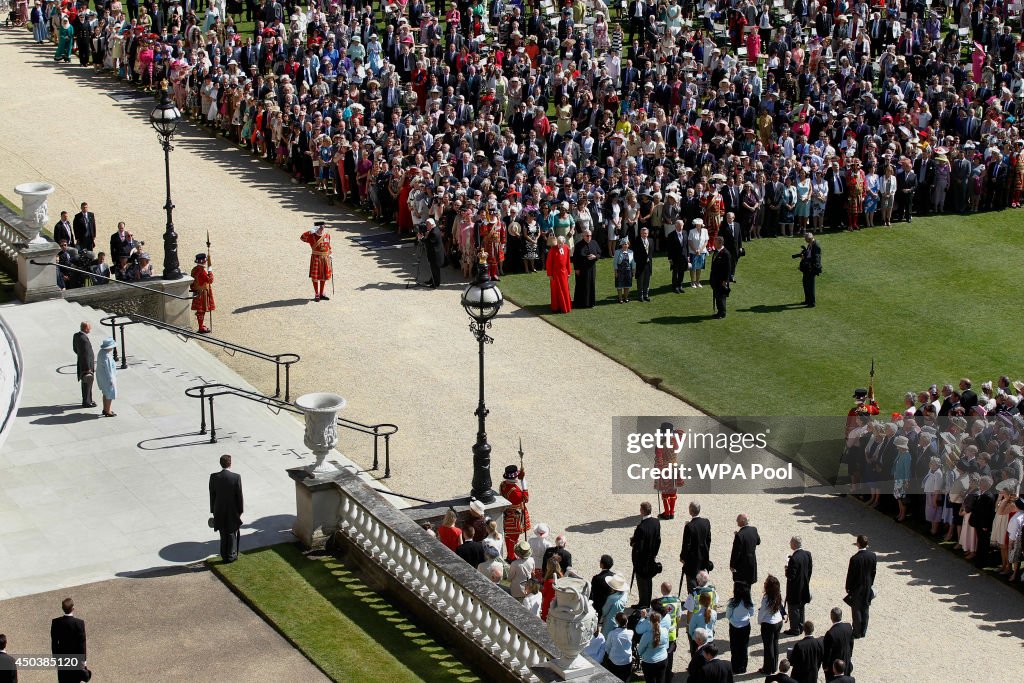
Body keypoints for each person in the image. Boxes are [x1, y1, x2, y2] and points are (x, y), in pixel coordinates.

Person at [209, 453, 244, 563]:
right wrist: (240, 510)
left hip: (219, 510)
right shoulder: (236, 477)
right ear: (230, 464)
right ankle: (231, 555)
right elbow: (239, 496)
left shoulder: (214, 477)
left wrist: (213, 510)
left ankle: (224, 555)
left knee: (223, 534)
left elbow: (212, 495)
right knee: (231, 533)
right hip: (232, 511)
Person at [630, 501, 662, 609]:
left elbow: (639, 546)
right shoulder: (656, 522)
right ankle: (646, 602)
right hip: (651, 557)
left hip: (642, 560)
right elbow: (658, 540)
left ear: (642, 511)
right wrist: (654, 554)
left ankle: (643, 603)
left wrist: (633, 542)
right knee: (648, 581)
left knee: (642, 582)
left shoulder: (641, 527)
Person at [844, 535, 876, 639]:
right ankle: (863, 630)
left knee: (856, 609)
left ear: (858, 544)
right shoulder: (872, 556)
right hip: (867, 585)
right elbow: (873, 572)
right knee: (865, 607)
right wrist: (870, 583)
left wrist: (848, 587)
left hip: (857, 587)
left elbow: (851, 575)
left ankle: (857, 632)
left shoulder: (854, 559)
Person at [51, 597, 87, 683]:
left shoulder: (56, 622)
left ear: (62, 609)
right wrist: (84, 661)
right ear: (73, 608)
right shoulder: (79, 623)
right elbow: (82, 644)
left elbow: (54, 643)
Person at [498, 465, 530, 560]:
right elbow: (526, 498)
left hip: (508, 514)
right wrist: (523, 481)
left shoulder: (503, 484)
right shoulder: (515, 491)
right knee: (512, 539)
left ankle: (511, 555)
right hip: (515, 518)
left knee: (510, 539)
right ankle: (511, 557)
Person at [679, 500, 712, 594]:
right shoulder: (706, 522)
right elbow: (708, 539)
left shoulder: (689, 526)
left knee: (692, 582)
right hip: (703, 556)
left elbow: (686, 544)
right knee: (702, 580)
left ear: (690, 511)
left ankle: (693, 602)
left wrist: (682, 557)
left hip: (692, 560)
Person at [783, 536, 812, 636]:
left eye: (791, 543)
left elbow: (791, 576)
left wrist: (786, 569)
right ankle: (800, 626)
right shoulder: (807, 554)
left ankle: (795, 629)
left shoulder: (794, 558)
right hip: (804, 586)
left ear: (794, 544)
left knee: (793, 608)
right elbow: (809, 570)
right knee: (801, 608)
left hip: (795, 588)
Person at [725, 581, 755, 674]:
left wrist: (734, 620)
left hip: (734, 626)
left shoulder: (732, 603)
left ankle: (735, 667)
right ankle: (743, 667)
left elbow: (728, 615)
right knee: (744, 647)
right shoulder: (749, 602)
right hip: (745, 626)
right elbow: (752, 613)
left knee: (734, 647)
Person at [758, 575, 784, 675]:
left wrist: (760, 621)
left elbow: (762, 613)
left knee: (768, 647)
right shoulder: (778, 595)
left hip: (769, 624)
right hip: (778, 621)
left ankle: (767, 668)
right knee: (775, 644)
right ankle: (774, 667)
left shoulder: (766, 599)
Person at [299, 222, 332, 301]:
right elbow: (302, 238)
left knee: (323, 276)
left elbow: (328, 245)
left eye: (323, 226)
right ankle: (316, 294)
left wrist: (330, 253)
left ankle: (321, 293)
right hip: (316, 257)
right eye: (320, 226)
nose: (322, 228)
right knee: (315, 276)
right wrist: (310, 231)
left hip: (325, 258)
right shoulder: (312, 236)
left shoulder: (327, 235)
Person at [970, 475, 997, 569]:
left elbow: (986, 513)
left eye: (981, 483)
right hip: (980, 523)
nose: (979, 484)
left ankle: (982, 561)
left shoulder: (987, 496)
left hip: (983, 525)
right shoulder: (984, 494)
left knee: (983, 543)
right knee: (981, 542)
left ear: (984, 485)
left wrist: (985, 525)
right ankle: (980, 559)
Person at [636, 610, 669, 683]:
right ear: (660, 620)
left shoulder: (646, 635)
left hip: (649, 662)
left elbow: (640, 650)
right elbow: (666, 645)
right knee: (661, 680)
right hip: (663, 659)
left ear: (650, 622)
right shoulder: (665, 631)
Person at [822, 607, 854, 681]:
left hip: (835, 665)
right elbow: (851, 643)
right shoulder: (848, 627)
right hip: (846, 660)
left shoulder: (830, 633)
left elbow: (827, 652)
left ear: (831, 617)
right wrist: (849, 656)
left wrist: (825, 666)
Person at [572, 228, 601, 308]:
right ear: (583, 236)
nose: (589, 237)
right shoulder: (578, 245)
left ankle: (590, 302)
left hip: (591, 268)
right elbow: (575, 258)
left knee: (591, 284)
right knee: (581, 285)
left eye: (590, 236)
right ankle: (580, 303)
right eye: (587, 236)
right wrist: (576, 268)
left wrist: (595, 257)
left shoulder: (594, 243)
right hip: (582, 269)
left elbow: (599, 253)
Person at [601, 612, 633, 681]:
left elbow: (607, 648)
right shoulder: (631, 633)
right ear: (627, 621)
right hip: (627, 661)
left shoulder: (612, 634)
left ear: (616, 622)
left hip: (615, 661)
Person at [730, 513, 760, 585]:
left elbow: (736, 552)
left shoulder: (740, 535)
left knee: (741, 587)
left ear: (742, 521)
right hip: (751, 563)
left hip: (742, 567)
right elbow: (758, 541)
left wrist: (732, 565)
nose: (737, 522)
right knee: (749, 586)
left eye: (738, 521)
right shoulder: (754, 530)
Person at [545, 236, 572, 313]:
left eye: (561, 243)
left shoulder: (566, 248)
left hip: (564, 273)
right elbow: (549, 263)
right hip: (555, 274)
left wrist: (569, 272)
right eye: (558, 242)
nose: (559, 244)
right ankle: (556, 307)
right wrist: (550, 274)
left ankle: (565, 306)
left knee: (565, 289)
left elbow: (568, 261)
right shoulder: (552, 250)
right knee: (556, 290)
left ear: (564, 242)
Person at [189, 253, 215, 333]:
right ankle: (201, 327)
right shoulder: (202, 271)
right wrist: (210, 271)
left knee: (200, 310)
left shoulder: (194, 269)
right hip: (202, 293)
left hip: (197, 291)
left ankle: (201, 325)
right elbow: (210, 280)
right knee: (201, 310)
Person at [72, 322, 96, 409]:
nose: (90, 329)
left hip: (81, 364)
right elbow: (86, 354)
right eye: (89, 328)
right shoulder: (84, 340)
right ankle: (87, 402)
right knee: (87, 383)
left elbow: (75, 349)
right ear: (86, 329)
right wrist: (88, 368)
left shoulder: (76, 336)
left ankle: (89, 399)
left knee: (86, 383)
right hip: (86, 366)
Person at [794, 232, 821, 307]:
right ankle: (807, 300)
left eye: (806, 239)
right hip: (807, 268)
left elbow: (816, 259)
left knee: (810, 285)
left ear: (809, 239)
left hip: (811, 268)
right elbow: (809, 254)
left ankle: (812, 302)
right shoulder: (810, 244)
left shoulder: (816, 245)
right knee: (805, 283)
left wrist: (805, 258)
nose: (805, 240)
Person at [709, 236, 732, 319]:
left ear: (720, 243)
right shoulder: (716, 251)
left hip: (721, 280)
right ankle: (720, 311)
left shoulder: (725, 253)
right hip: (715, 279)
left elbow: (728, 269)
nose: (714, 243)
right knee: (717, 296)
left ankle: (722, 313)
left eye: (715, 242)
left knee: (721, 297)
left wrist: (725, 280)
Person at [94, 337, 117, 417]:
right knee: (109, 394)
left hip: (102, 377)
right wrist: (111, 380)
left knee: (105, 393)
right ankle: (108, 410)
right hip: (107, 378)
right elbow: (109, 369)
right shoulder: (106, 356)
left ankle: (106, 409)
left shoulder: (101, 352)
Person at [666, 220, 689, 293]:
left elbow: (686, 245)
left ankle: (680, 285)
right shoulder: (671, 235)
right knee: (675, 272)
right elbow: (669, 248)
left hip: (683, 256)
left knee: (682, 272)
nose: (680, 227)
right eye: (678, 225)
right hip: (675, 257)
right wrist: (670, 258)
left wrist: (688, 256)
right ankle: (675, 286)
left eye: (681, 225)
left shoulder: (685, 233)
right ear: (675, 226)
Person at [423, 218, 445, 288]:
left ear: (431, 224)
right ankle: (432, 279)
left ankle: (436, 283)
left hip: (435, 255)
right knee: (433, 268)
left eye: (427, 224)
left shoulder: (434, 232)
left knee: (435, 269)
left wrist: (422, 238)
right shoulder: (435, 229)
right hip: (434, 253)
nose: (426, 226)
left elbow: (429, 242)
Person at [633, 227, 653, 302]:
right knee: (640, 280)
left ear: (647, 234)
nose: (644, 235)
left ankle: (646, 295)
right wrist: (639, 261)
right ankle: (640, 295)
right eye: (642, 233)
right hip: (640, 264)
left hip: (648, 264)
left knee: (647, 280)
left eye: (645, 233)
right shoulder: (637, 241)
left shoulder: (651, 241)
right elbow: (635, 253)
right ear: (640, 233)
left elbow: (651, 252)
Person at [612, 238, 635, 304]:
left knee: (627, 285)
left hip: (628, 271)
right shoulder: (617, 252)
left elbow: (633, 262)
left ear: (628, 245)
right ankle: (620, 298)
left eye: (626, 244)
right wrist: (615, 272)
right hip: (620, 271)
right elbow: (615, 262)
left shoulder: (631, 252)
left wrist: (633, 271)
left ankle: (626, 298)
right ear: (621, 245)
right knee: (619, 285)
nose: (625, 245)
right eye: (624, 244)